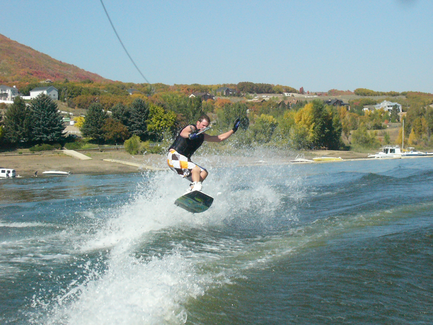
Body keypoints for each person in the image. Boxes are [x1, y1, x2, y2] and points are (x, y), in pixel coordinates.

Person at [167, 114, 241, 193]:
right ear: (198, 123)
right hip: (174, 157)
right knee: (196, 169)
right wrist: (190, 135)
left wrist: (233, 130)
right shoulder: (191, 128)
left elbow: (219, 138)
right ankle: (195, 187)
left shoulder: (202, 136)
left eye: (206, 126)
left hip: (183, 161)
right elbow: (183, 133)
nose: (204, 128)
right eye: (203, 125)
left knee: (204, 172)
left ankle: (192, 189)